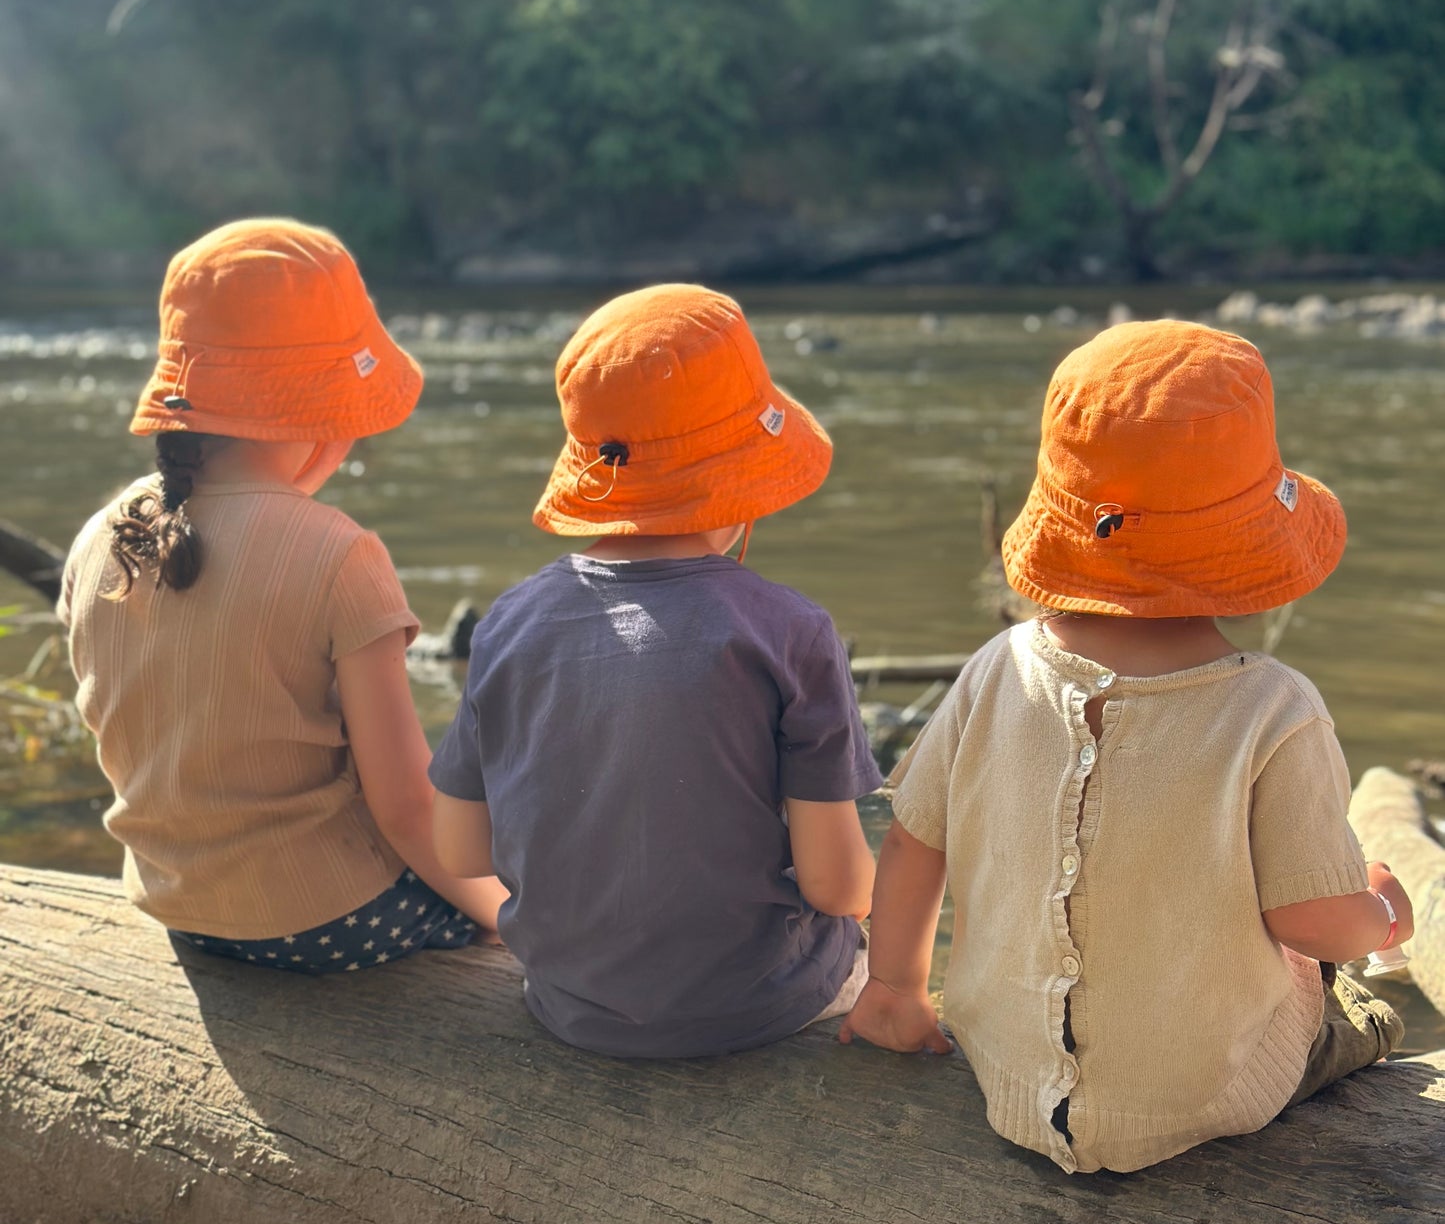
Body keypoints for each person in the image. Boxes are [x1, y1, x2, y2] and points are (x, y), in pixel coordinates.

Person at [841, 318, 1412, 1174]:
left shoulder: (995, 669)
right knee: (1362, 1003)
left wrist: (892, 990)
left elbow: (916, 840)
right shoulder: (1272, 709)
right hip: (1204, 1096)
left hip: (1007, 1076)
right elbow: (1313, 923)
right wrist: (1382, 912)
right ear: (1243, 539)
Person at [428, 282, 881, 1058]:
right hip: (757, 1005)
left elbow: (463, 852)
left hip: (569, 1004)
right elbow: (837, 889)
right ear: (740, 477)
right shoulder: (790, 629)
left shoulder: (508, 621)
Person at [59, 218, 504, 972]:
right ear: (321, 414)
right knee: (508, 846)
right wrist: (509, 917)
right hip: (321, 915)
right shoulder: (341, 554)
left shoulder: (100, 534)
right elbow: (403, 808)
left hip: (176, 905)